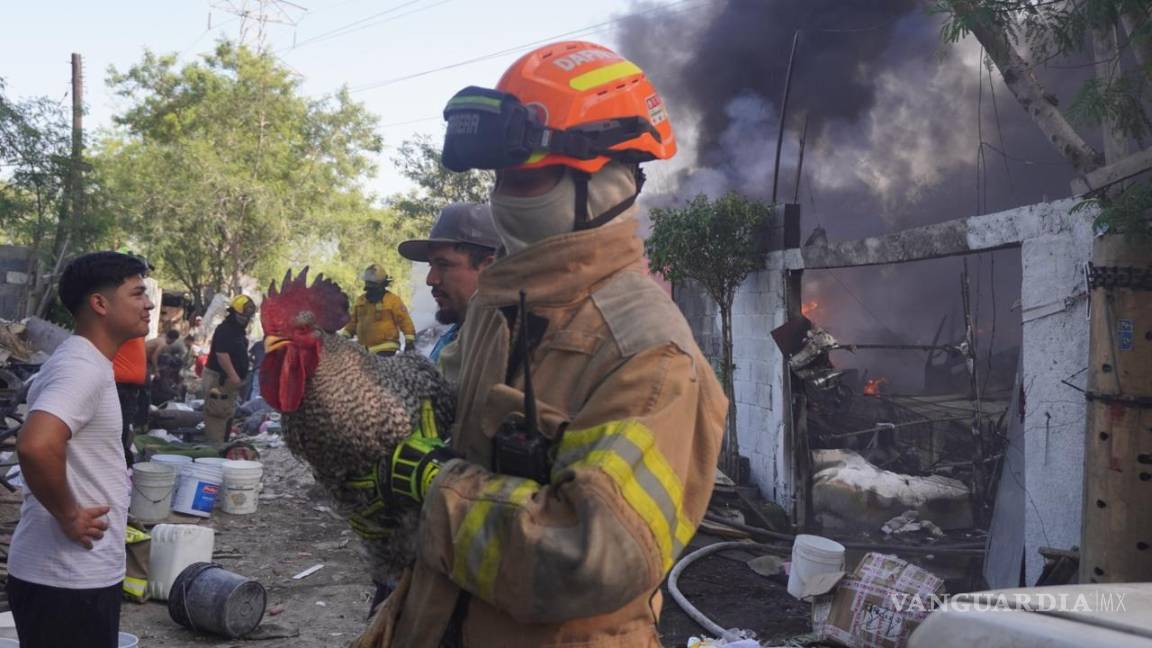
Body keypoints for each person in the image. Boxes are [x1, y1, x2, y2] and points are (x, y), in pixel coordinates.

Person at [360, 41, 727, 647]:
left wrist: (435, 489)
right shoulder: (498, 308)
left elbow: (592, 557)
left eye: (528, 172)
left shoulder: (652, 356)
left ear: (610, 181)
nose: (506, 192)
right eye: (501, 173)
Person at [8, 252, 152, 648]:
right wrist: (70, 514)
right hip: (66, 578)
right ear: (100, 304)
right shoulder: (82, 368)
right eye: (137, 293)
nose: (150, 303)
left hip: (71, 575)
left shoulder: (87, 362)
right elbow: (36, 445)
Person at [397, 203, 498, 382]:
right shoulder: (451, 340)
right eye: (431, 265)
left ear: (488, 269)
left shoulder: (511, 349)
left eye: (443, 265)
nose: (430, 279)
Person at [343, 265, 416, 357]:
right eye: (368, 284)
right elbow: (352, 322)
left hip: (386, 349)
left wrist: (409, 341)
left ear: (382, 285)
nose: (370, 288)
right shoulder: (361, 300)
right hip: (364, 350)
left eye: (372, 285)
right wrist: (344, 337)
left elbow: (405, 320)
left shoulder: (392, 300)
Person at [202, 295, 255, 399]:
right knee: (217, 410)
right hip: (218, 379)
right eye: (241, 315)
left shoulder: (238, 331)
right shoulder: (226, 329)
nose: (244, 319)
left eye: (247, 316)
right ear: (233, 312)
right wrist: (234, 377)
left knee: (227, 412)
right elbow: (222, 355)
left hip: (228, 380)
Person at [112, 334, 148, 468]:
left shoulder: (136, 328)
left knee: (124, 430)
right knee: (117, 433)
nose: (148, 311)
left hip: (129, 389)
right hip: (118, 387)